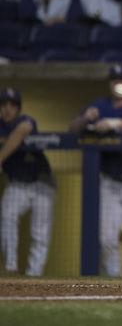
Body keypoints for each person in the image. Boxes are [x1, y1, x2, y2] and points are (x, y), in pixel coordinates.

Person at [69, 64, 122, 277]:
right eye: (115, 80)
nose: (119, 84)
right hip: (109, 180)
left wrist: (115, 123)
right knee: (107, 238)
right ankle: (112, 280)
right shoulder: (100, 105)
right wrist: (86, 118)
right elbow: (72, 129)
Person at [0, 88, 55, 277]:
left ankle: (34, 275)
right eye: (3, 105)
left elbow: (23, 131)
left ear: (18, 108)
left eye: (12, 105)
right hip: (18, 184)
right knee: (7, 215)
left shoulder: (25, 121)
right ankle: (10, 266)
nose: (7, 109)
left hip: (42, 182)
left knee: (39, 232)